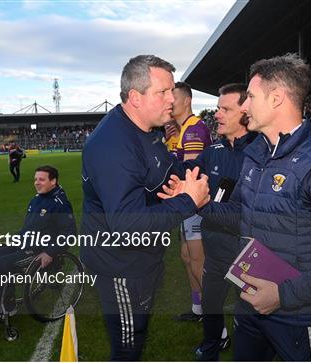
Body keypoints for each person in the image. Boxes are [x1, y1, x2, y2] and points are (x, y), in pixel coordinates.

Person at [163, 53, 311, 361]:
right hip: (251, 308)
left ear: (276, 99)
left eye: (249, 96)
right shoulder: (256, 154)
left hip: (301, 316)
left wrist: (284, 295)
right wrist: (201, 203)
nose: (244, 106)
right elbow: (242, 216)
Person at [80, 55, 210, 361]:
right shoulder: (113, 145)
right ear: (135, 97)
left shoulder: (148, 129)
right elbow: (127, 225)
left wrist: (182, 181)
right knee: (128, 348)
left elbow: (167, 170)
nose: (172, 99)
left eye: (172, 91)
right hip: (120, 266)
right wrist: (188, 201)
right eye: (162, 92)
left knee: (137, 333)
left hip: (143, 259)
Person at [188, 83, 257, 360]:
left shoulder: (260, 152)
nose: (217, 114)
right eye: (217, 108)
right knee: (211, 303)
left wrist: (200, 205)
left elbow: (246, 215)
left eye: (224, 109)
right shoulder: (213, 150)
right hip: (215, 249)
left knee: (250, 315)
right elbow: (187, 175)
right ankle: (212, 345)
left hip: (248, 254)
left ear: (245, 111)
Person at [0, 165, 76, 322]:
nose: (37, 182)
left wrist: (50, 252)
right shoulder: (35, 200)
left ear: (53, 181)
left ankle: (3, 306)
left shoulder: (60, 204)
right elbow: (28, 229)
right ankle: (1, 301)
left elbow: (70, 235)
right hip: (23, 244)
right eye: (35, 179)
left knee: (2, 263)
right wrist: (13, 239)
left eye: (41, 179)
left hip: (38, 251)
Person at [171, 81, 212, 322]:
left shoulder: (194, 129)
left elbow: (190, 170)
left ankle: (215, 323)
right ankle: (198, 309)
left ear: (186, 100)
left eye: (173, 97)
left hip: (194, 204)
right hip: (187, 205)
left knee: (197, 259)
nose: (169, 101)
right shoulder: (181, 129)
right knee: (187, 256)